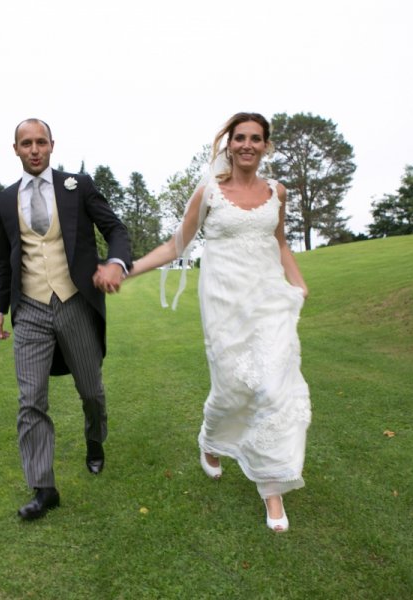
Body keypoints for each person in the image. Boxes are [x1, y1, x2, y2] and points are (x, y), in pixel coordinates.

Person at [125, 112, 310, 532]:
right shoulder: (209, 192)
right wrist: (128, 269)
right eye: (239, 137)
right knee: (232, 388)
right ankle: (210, 439)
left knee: (271, 389)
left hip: (268, 301)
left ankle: (272, 489)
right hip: (225, 302)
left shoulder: (277, 192)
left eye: (256, 138)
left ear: (266, 145)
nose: (247, 144)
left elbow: (279, 242)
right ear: (228, 144)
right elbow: (177, 246)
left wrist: (299, 284)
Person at [0, 118, 132, 521]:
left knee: (91, 390)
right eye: (26, 143)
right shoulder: (3, 200)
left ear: (52, 145)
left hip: (74, 302)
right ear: (15, 149)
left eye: (40, 142)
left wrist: (116, 262)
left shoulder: (77, 186)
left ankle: (95, 440)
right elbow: (3, 259)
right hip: (30, 309)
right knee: (30, 400)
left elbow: (114, 228)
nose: (34, 149)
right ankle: (43, 487)